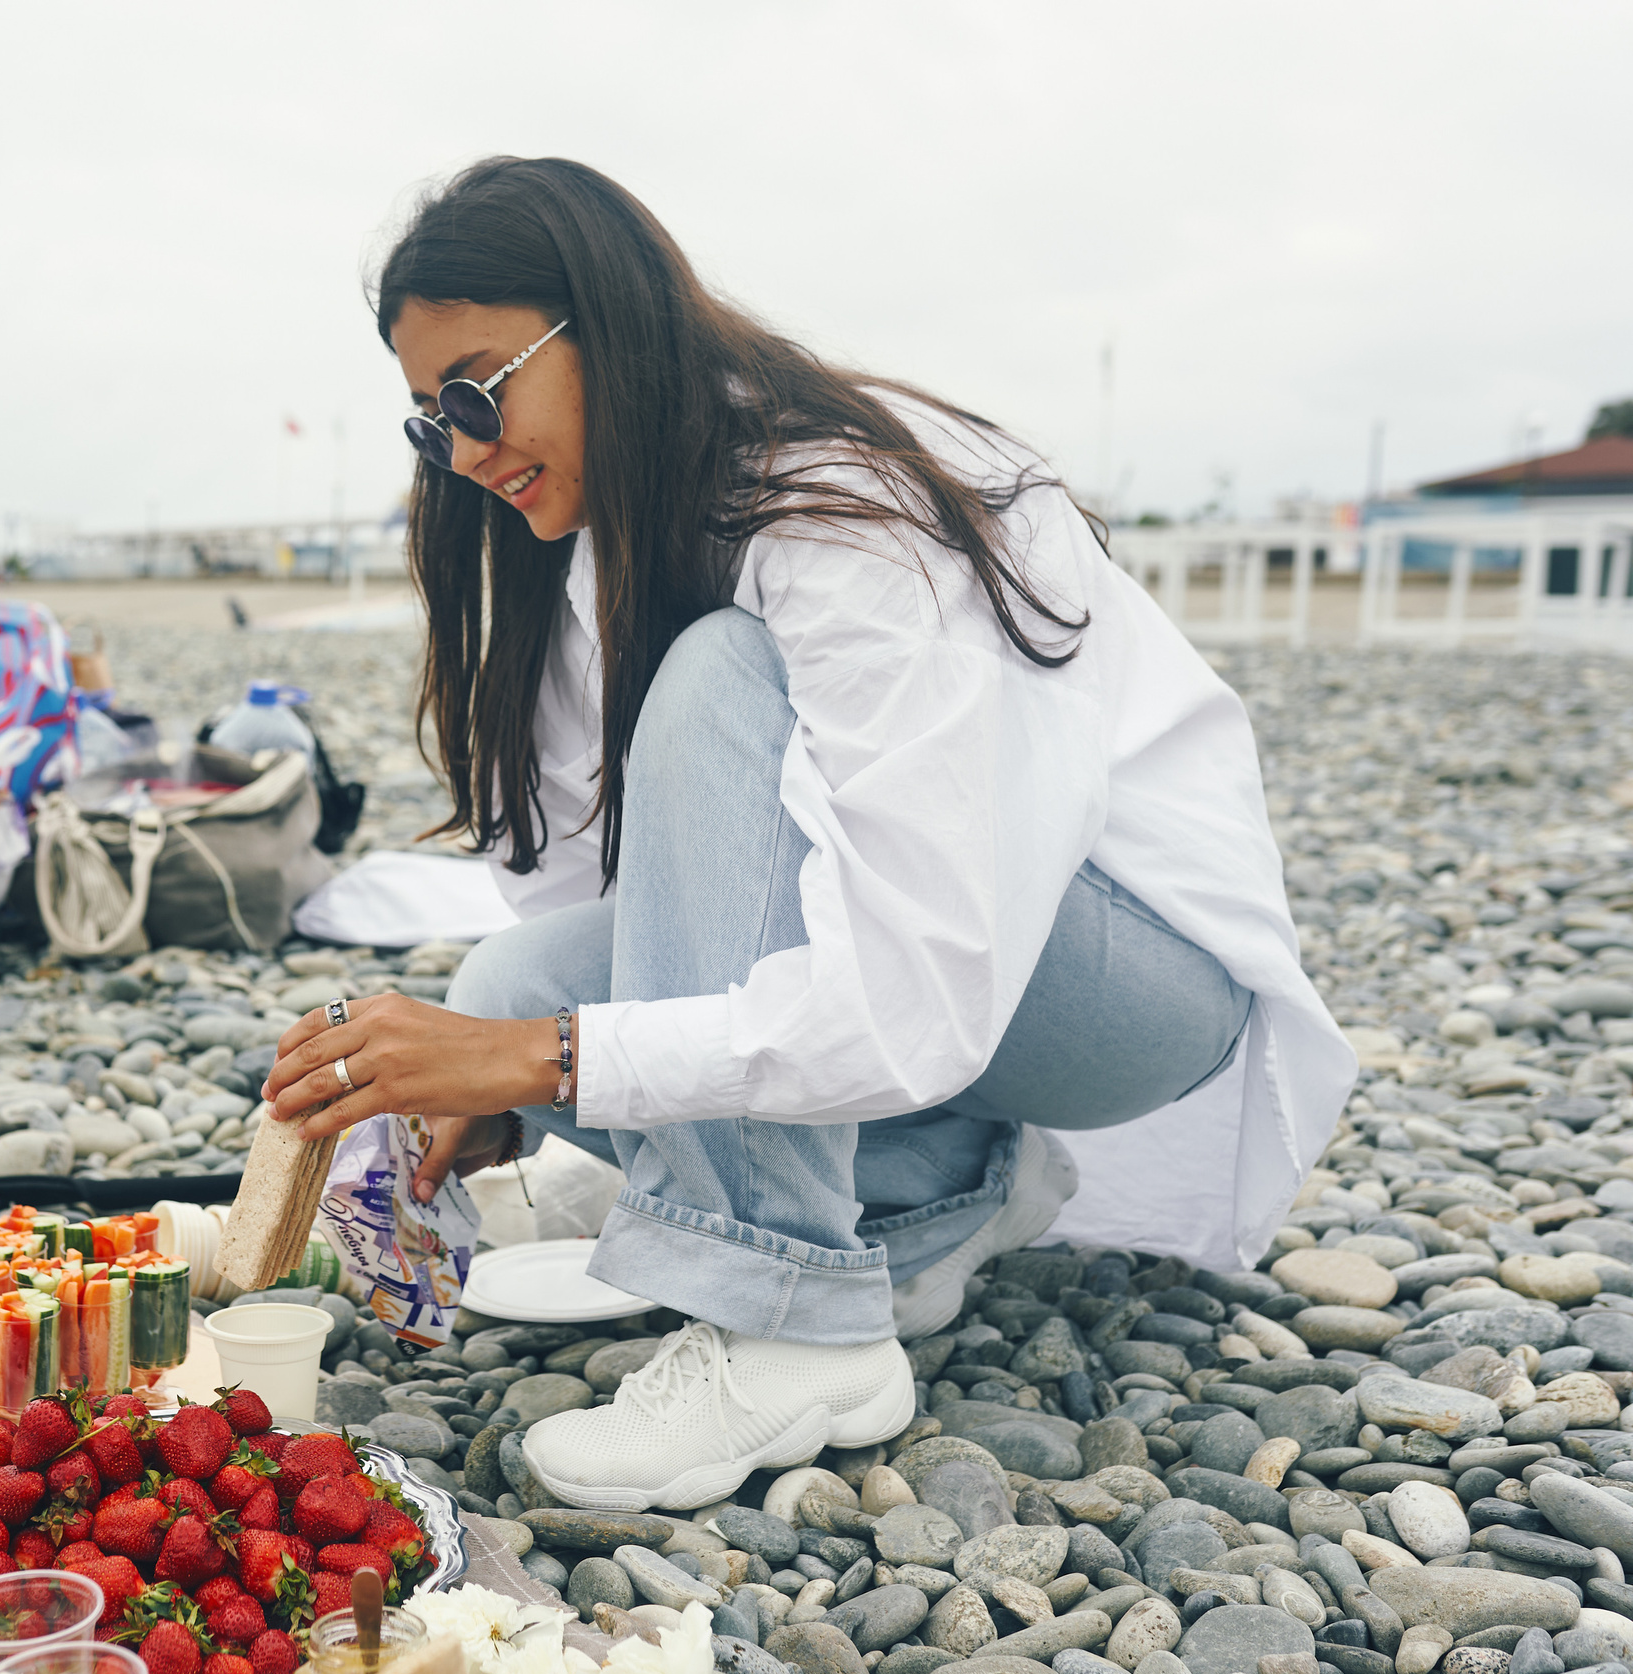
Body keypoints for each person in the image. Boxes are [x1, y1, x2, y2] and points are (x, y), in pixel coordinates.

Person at [261, 157, 1353, 1515]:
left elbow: (911, 994)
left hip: (1130, 978)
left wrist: (541, 1062)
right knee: (508, 983)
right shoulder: (599, 544)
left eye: (478, 393)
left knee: (712, 687)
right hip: (958, 994)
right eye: (434, 425)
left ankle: (794, 1329)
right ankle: (947, 1194)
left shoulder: (846, 512)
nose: (467, 453)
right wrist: (503, 1068)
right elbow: (608, 912)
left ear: (610, 324)